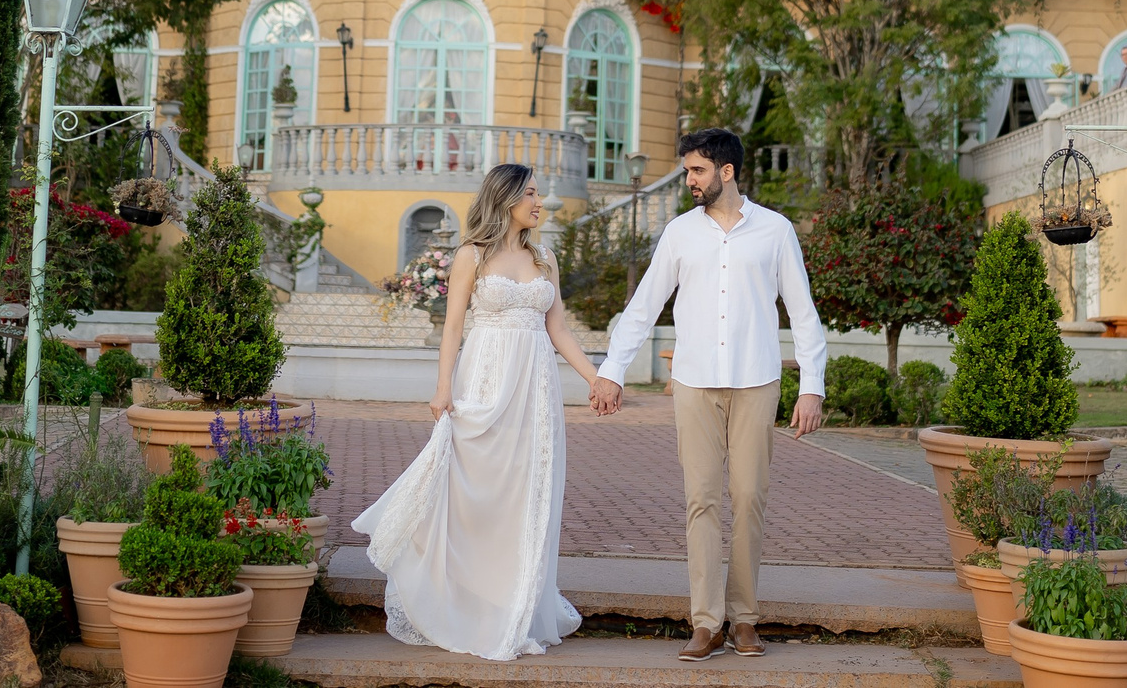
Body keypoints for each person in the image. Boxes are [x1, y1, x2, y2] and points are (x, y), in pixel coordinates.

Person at [353, 163, 606, 660]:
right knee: (474, 488)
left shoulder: (546, 258)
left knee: (527, 491)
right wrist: (442, 388)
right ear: (505, 198)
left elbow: (558, 329)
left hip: (535, 389)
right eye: (530, 194)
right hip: (485, 380)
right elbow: (452, 328)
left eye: (538, 194)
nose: (539, 202)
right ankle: (464, 596)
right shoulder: (471, 255)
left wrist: (595, 378)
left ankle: (515, 604)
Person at [591, 129, 827, 662]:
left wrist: (812, 386)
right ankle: (705, 622)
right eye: (687, 172)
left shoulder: (776, 230)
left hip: (756, 381)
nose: (689, 181)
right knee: (701, 500)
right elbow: (644, 305)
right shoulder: (679, 233)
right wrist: (613, 371)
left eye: (696, 171)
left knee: (749, 498)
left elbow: (803, 312)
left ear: (726, 171)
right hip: (694, 383)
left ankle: (744, 619)